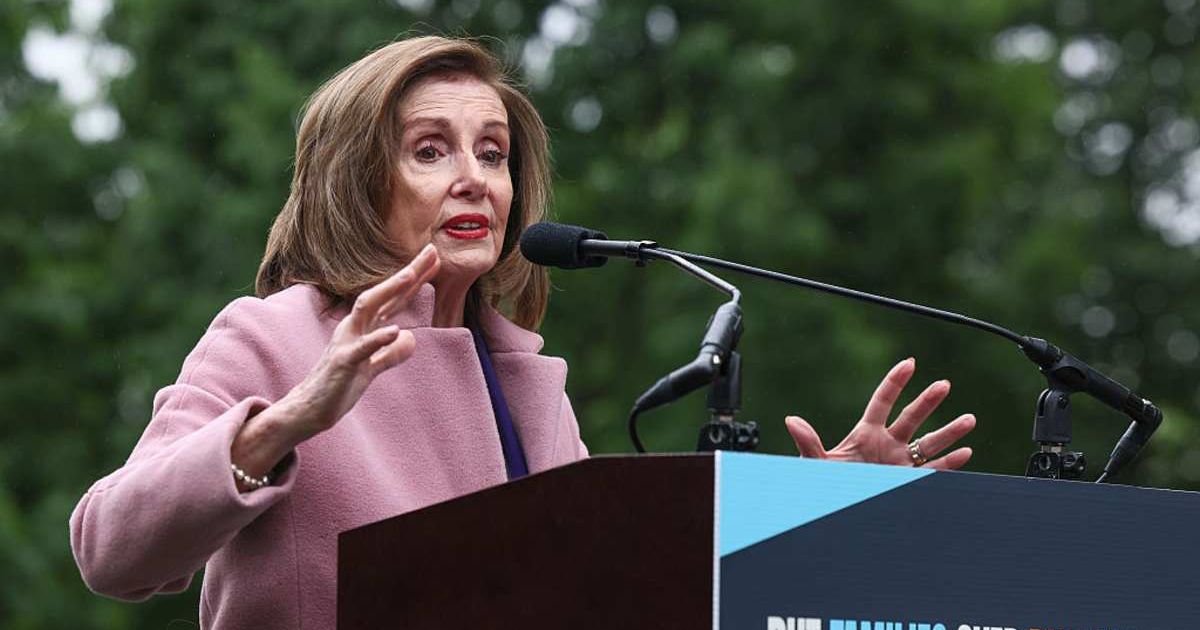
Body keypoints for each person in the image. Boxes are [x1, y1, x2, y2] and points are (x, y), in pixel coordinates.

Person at [69, 36, 975, 629]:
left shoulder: (529, 384)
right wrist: (286, 422)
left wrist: (811, 510)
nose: (474, 179)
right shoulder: (271, 338)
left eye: (493, 153)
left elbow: (625, 593)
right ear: (356, 181)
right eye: (431, 150)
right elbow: (109, 549)